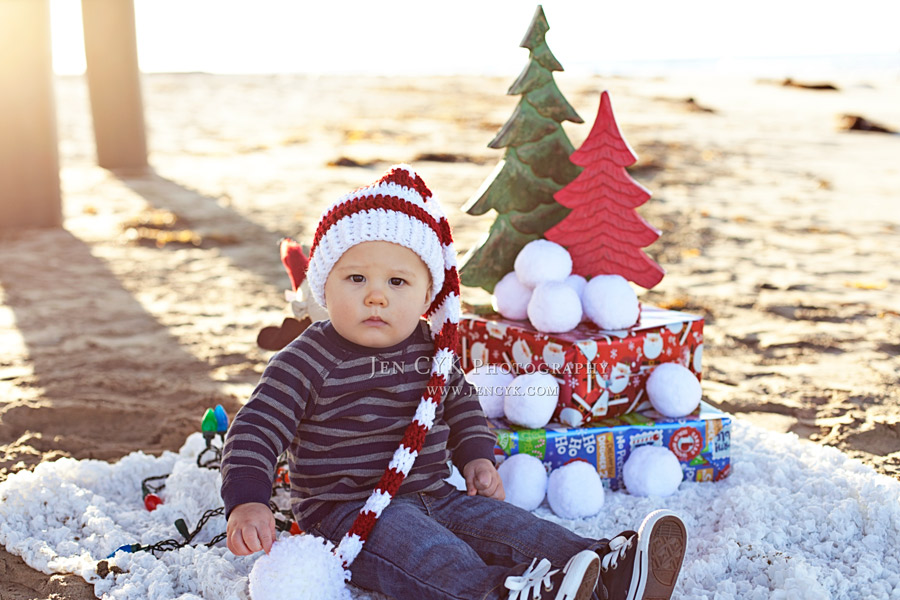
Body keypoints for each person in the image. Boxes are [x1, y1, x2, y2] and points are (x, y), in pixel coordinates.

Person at [220, 165, 688, 600]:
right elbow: (255, 430)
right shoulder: (305, 359)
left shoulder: (431, 349)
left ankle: (606, 567)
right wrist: (247, 501)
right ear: (325, 286)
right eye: (356, 278)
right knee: (430, 554)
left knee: (508, 525)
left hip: (435, 490)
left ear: (427, 296)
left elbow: (461, 404)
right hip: (350, 511)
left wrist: (476, 457)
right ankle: (506, 593)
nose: (376, 295)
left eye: (398, 282)